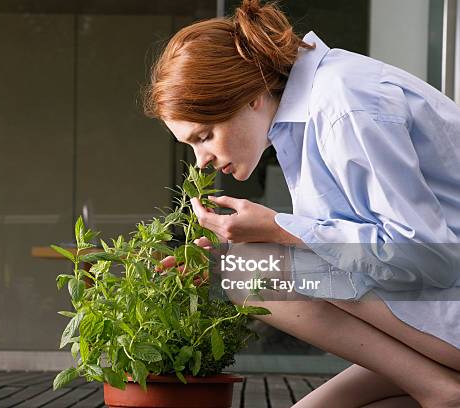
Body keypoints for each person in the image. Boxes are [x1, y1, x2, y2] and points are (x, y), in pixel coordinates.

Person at [144, 1, 460, 407]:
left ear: (251, 96)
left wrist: (277, 231)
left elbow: (430, 258)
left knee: (244, 268)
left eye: (203, 136)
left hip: (447, 302)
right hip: (436, 309)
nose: (200, 160)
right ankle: (439, 388)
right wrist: (222, 263)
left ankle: (439, 390)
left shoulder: (342, 105)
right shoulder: (313, 111)